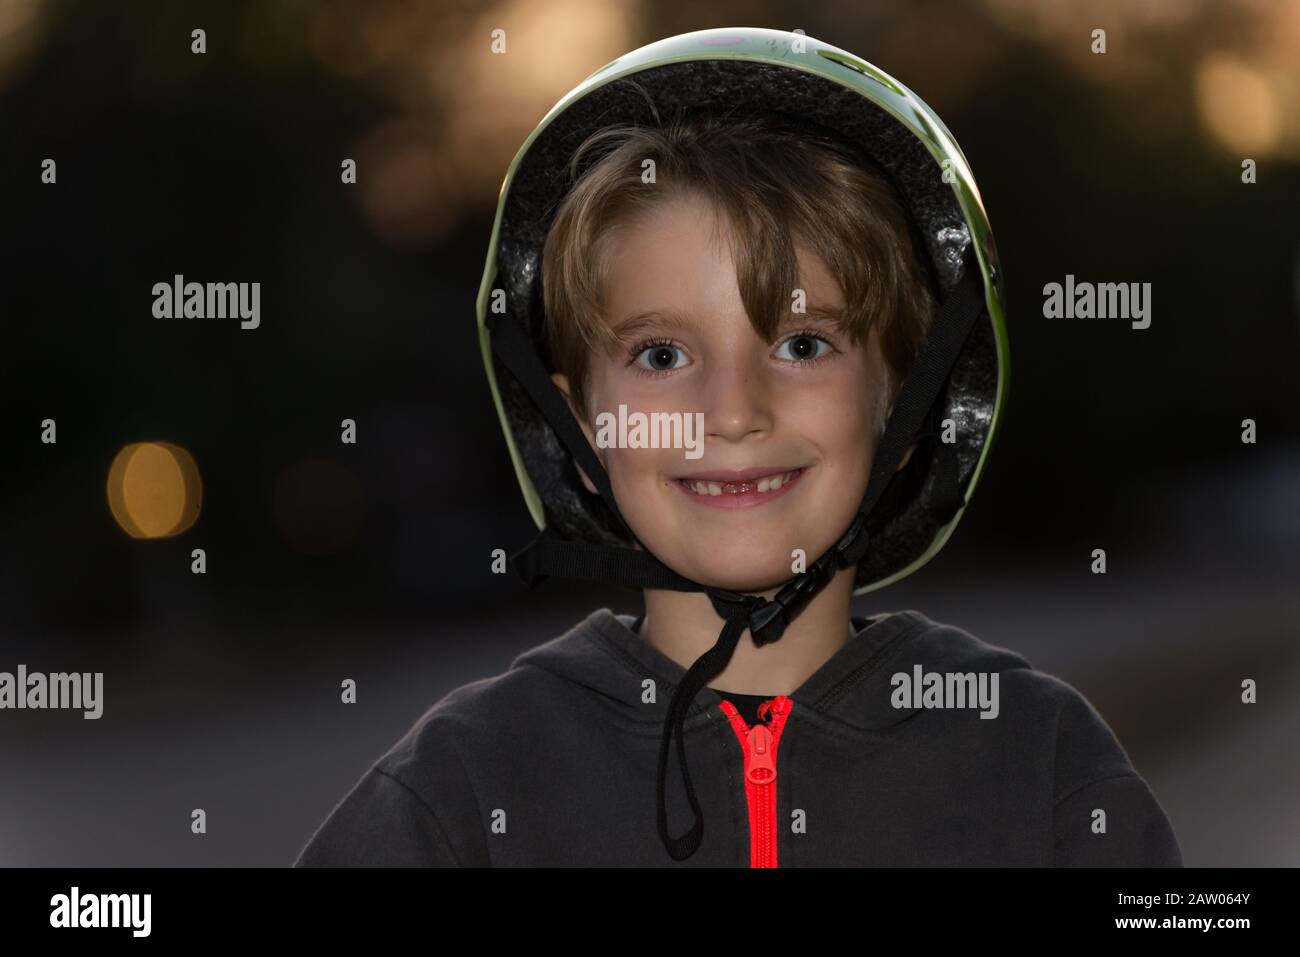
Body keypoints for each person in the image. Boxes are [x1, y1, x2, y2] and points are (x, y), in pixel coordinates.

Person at [295, 26, 1181, 867]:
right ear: (580, 430)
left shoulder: (1035, 758)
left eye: (802, 345)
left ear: (906, 408)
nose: (732, 412)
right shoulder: (461, 788)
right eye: (662, 354)